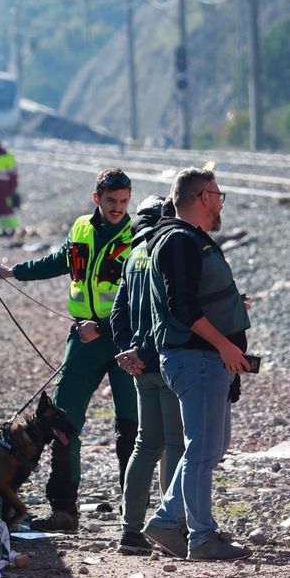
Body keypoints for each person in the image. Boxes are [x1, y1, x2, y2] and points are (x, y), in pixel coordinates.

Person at [0, 168, 139, 533]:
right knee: (62, 422)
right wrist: (13, 272)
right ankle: (64, 511)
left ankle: (132, 514)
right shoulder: (82, 228)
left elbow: (144, 298)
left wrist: (101, 328)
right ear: (96, 198)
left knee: (130, 427)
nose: (118, 208)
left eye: (124, 202)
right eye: (112, 201)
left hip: (124, 341)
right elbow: (57, 261)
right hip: (82, 342)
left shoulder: (137, 236)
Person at [142, 167, 253, 561]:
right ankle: (202, 537)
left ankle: (166, 521)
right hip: (198, 358)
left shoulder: (191, 240)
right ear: (204, 197)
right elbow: (182, 306)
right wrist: (224, 345)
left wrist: (231, 308)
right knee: (202, 449)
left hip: (205, 358)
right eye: (219, 195)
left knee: (211, 445)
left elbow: (195, 297)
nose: (221, 202)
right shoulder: (178, 241)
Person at [110, 195, 185, 555]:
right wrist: (146, 353)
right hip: (163, 361)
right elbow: (167, 311)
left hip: (139, 366)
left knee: (145, 445)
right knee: (174, 445)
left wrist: (128, 353)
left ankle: (131, 531)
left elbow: (117, 313)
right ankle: (170, 528)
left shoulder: (133, 255)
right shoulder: (162, 250)